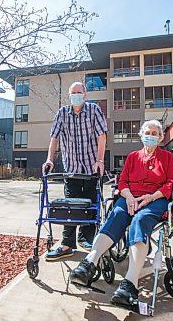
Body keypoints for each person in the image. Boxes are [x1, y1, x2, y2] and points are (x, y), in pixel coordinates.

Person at [69, 119, 173, 306]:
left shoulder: (167, 157)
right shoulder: (133, 157)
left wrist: (150, 197)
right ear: (141, 135)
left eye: (155, 134)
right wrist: (128, 197)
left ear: (160, 138)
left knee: (140, 220)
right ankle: (89, 263)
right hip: (129, 197)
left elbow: (171, 183)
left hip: (155, 199)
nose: (151, 136)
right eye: (148, 132)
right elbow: (123, 183)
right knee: (117, 215)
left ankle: (130, 283)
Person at [43, 81, 107, 261]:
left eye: (79, 92)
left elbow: (102, 136)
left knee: (89, 205)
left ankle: (86, 238)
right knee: (69, 206)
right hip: (71, 169)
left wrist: (100, 160)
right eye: (73, 93)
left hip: (91, 168)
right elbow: (54, 138)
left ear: (85, 94)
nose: (77, 95)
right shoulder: (62, 113)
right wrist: (50, 159)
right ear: (69, 95)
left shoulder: (94, 110)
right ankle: (66, 244)